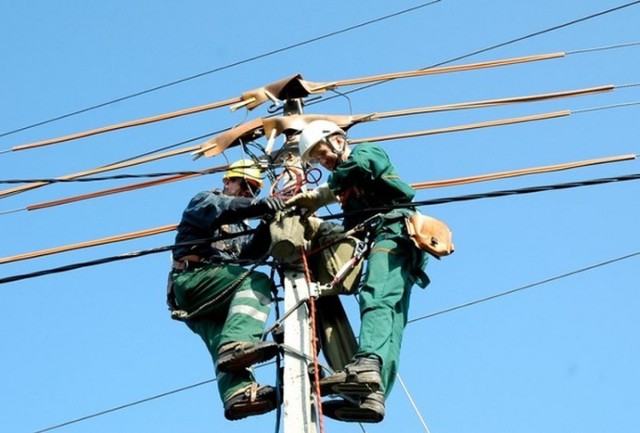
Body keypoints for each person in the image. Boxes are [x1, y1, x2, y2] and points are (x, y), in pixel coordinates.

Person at [286, 120, 430, 423]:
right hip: (391, 241)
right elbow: (351, 233)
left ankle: (366, 364)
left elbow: (362, 166)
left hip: (393, 231)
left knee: (375, 297)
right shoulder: (346, 191)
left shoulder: (366, 153)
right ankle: (372, 395)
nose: (325, 162)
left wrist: (319, 195)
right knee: (391, 318)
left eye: (324, 153)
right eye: (319, 160)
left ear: (338, 140)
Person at [169, 159, 286, 421]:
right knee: (256, 282)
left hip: (212, 296)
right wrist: (258, 205)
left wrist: (268, 224)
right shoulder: (206, 199)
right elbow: (221, 209)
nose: (249, 192)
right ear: (228, 181)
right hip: (195, 279)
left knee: (224, 341)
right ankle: (237, 345)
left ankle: (239, 393)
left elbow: (248, 255)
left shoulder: (240, 227)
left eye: (255, 190)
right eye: (245, 185)